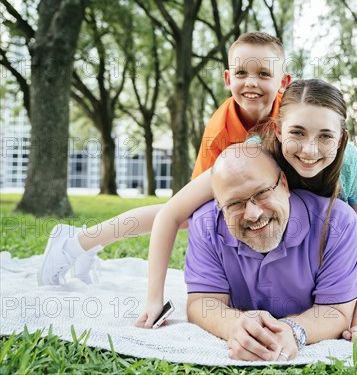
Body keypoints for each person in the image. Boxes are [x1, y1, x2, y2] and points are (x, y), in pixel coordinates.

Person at [135, 79, 357, 347]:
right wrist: (154, 299)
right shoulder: (253, 155)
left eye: (325, 136)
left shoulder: (351, 171)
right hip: (265, 224)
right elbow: (171, 213)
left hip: (324, 242)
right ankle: (86, 238)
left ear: (341, 138)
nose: (309, 149)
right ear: (277, 130)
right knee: (198, 214)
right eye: (297, 133)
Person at [38, 31, 291, 286]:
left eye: (263, 74)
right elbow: (193, 205)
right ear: (227, 78)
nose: (251, 82)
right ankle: (77, 243)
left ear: (283, 82)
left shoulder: (292, 113)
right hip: (234, 181)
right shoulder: (219, 134)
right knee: (185, 217)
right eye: (241, 74)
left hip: (273, 187)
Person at [185, 143, 357, 361]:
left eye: (261, 193)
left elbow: (336, 312)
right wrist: (233, 326)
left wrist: (292, 331)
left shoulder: (339, 224)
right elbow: (202, 301)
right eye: (234, 204)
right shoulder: (205, 224)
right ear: (219, 205)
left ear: (284, 184)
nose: (253, 213)